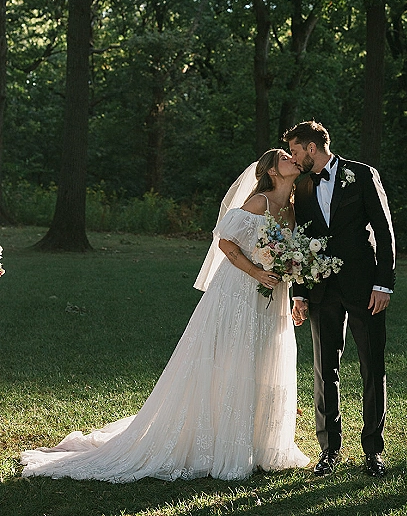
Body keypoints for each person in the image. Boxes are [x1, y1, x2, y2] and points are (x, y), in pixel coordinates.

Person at [21, 150, 309, 482]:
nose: (293, 159)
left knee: (263, 359)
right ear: (273, 171)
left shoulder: (291, 209)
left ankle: (260, 446)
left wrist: (290, 273)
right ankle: (220, 442)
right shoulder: (257, 202)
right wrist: (256, 273)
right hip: (240, 291)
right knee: (233, 360)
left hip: (273, 295)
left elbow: (289, 252)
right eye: (286, 157)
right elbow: (227, 243)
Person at [282, 120, 396, 477]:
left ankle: (373, 451)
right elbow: (299, 241)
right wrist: (299, 291)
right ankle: (329, 450)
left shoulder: (362, 175)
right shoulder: (300, 187)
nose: (294, 158)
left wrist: (384, 284)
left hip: (364, 289)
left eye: (296, 151)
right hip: (320, 290)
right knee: (324, 369)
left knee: (371, 365)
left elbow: (384, 229)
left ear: (312, 148)